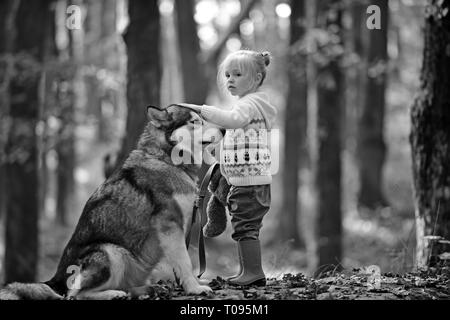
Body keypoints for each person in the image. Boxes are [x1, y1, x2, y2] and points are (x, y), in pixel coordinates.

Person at [179, 49, 277, 286]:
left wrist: (201, 109)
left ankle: (253, 272)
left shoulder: (250, 104)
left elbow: (232, 120)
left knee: (245, 226)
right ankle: (248, 271)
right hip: (246, 181)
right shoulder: (248, 105)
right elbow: (235, 133)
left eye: (237, 74)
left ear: (256, 79)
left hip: (251, 183)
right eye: (227, 75)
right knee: (243, 226)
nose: (230, 80)